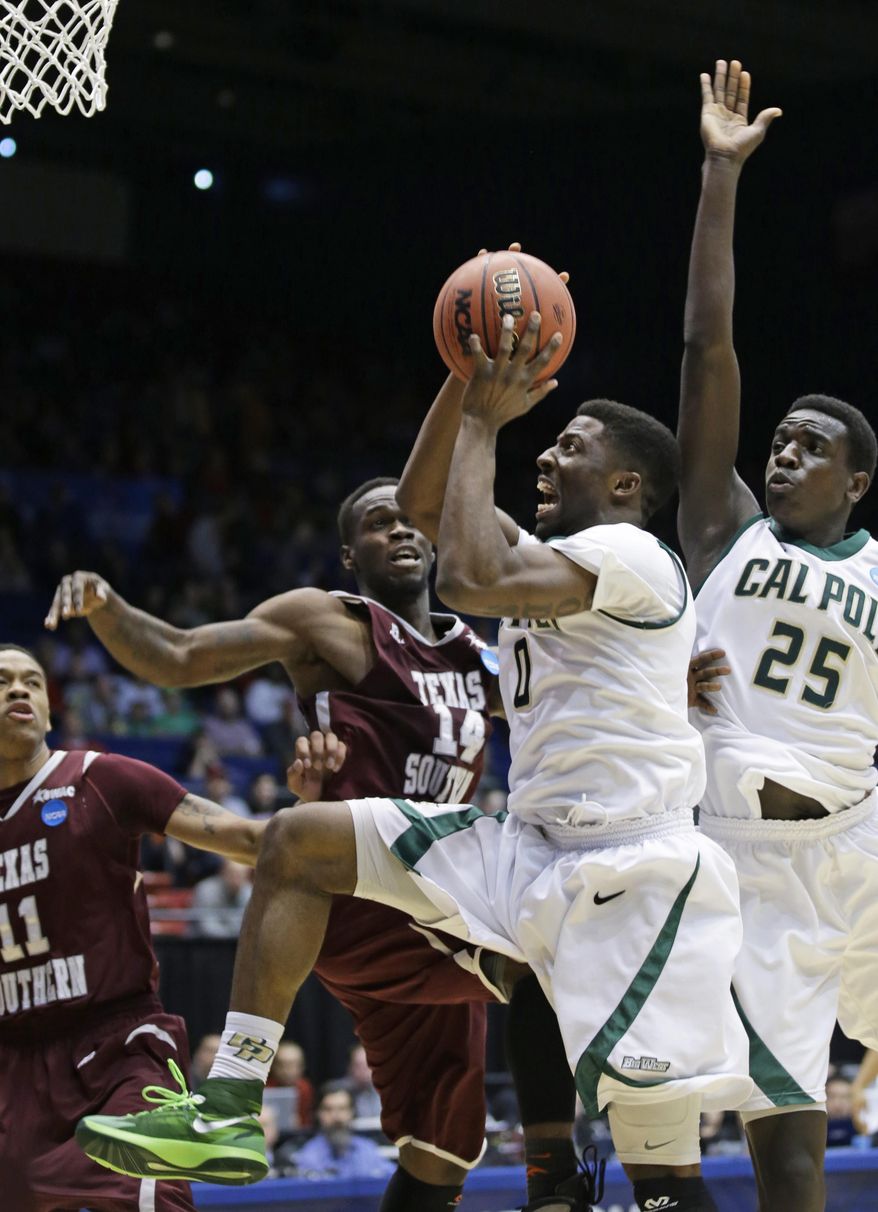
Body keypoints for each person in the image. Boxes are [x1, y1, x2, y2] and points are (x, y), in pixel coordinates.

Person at [74, 316, 753, 1212]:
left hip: (632, 872)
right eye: (545, 446)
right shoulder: (539, 564)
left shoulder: (626, 551)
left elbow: (465, 574)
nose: (545, 460)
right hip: (528, 850)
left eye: (570, 449)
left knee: (663, 1171)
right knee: (299, 837)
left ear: (626, 485)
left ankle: (556, 1175)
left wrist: (484, 426)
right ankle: (231, 1099)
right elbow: (429, 507)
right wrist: (462, 376)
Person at [45, 483, 547, 1212]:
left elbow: (568, 689)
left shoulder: (476, 656)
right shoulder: (329, 620)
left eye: (413, 520)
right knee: (560, 946)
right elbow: (181, 656)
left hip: (449, 899)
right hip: (362, 894)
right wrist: (107, 606)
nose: (402, 531)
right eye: (380, 524)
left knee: (440, 1158)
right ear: (351, 554)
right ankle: (233, 1098)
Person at [676, 57, 878, 1212]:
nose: (781, 452)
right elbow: (708, 351)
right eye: (780, 439)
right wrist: (719, 176)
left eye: (811, 445)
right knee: (781, 1118)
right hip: (757, 866)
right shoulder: (723, 531)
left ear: (855, 479)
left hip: (863, 840)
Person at [0, 642, 272, 1211]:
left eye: (30, 680)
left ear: (51, 710)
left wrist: (323, 814)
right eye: (2, 681)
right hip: (13, 1061)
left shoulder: (100, 778)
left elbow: (247, 840)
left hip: (114, 1046)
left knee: (150, 1198)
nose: (18, 689)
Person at [294, 1082, 395, 1181]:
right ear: (319, 1114)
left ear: (352, 1112)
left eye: (342, 1109)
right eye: (328, 1109)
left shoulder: (367, 1150)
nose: (336, 1117)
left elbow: (393, 1180)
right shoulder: (309, 1157)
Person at [190, 858, 253, 938]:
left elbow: (249, 925)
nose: (236, 880)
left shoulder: (250, 892)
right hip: (203, 943)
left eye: (241, 876)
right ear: (223, 872)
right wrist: (231, 935)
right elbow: (206, 926)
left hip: (236, 941)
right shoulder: (206, 890)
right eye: (233, 874)